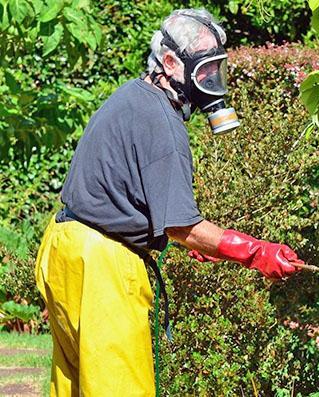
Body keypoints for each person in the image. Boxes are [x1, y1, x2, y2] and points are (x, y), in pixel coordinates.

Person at [35, 8, 303, 396]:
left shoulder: (131, 95)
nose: (213, 81)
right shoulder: (163, 123)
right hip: (101, 269)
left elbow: (127, 193)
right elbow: (182, 227)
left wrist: (189, 240)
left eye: (217, 70)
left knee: (75, 389)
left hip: (64, 247)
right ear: (172, 63)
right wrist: (255, 252)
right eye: (206, 70)